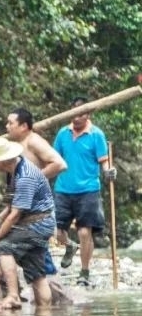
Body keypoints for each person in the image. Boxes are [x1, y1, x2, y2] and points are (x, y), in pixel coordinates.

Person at [0, 107, 69, 296]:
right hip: (24, 205)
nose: (6, 126)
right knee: (7, 243)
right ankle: (3, 288)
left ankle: (49, 291)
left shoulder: (34, 141)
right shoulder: (16, 144)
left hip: (36, 209)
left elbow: (60, 164)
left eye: (11, 123)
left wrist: (34, 179)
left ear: (24, 126)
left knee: (29, 251)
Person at [0, 138, 56, 310]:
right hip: (35, 222)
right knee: (37, 275)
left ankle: (13, 296)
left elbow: (15, 215)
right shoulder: (13, 171)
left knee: (3, 247)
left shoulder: (25, 176)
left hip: (37, 224)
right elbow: (13, 204)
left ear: (1, 161)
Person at [52, 97, 116, 287]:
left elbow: (104, 161)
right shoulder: (63, 133)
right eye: (74, 113)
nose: (77, 117)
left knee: (84, 231)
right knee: (57, 231)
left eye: (81, 114)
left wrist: (109, 172)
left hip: (88, 189)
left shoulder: (96, 135)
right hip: (63, 188)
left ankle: (84, 272)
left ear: (88, 115)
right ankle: (70, 246)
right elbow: (53, 157)